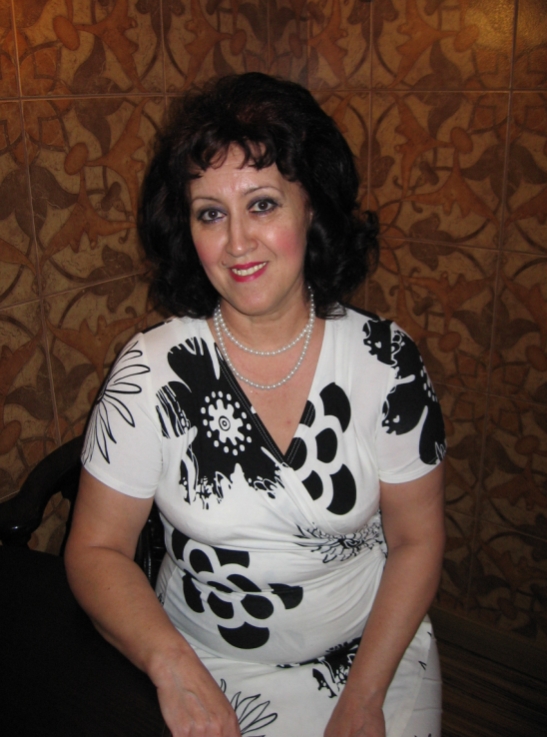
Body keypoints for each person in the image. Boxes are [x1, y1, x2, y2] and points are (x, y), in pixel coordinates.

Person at [65, 72, 446, 737]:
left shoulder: (387, 363)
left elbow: (417, 540)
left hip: (371, 654)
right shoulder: (150, 371)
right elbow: (95, 548)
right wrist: (173, 668)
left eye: (262, 204)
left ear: (312, 208)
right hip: (201, 660)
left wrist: (363, 700)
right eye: (210, 213)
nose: (237, 242)